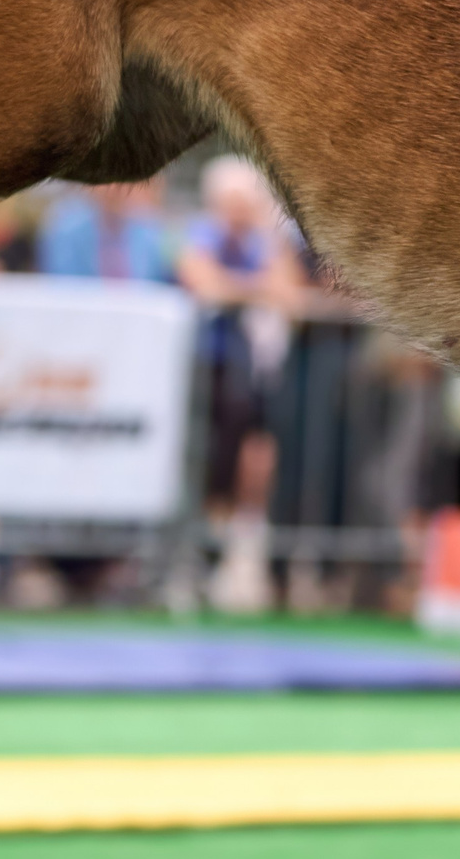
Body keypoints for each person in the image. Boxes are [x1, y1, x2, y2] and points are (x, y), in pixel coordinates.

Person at [174, 156, 306, 612]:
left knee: (251, 460)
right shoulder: (199, 234)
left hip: (248, 378)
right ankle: (192, 562)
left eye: (245, 203)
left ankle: (228, 558)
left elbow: (288, 292)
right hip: (201, 372)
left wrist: (246, 281)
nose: (238, 212)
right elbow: (204, 283)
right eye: (231, 203)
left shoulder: (266, 240)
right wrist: (255, 287)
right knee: (202, 464)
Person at [36, 182, 171, 282]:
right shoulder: (63, 231)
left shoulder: (150, 233)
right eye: (108, 181)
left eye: (123, 180)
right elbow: (61, 286)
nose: (115, 189)